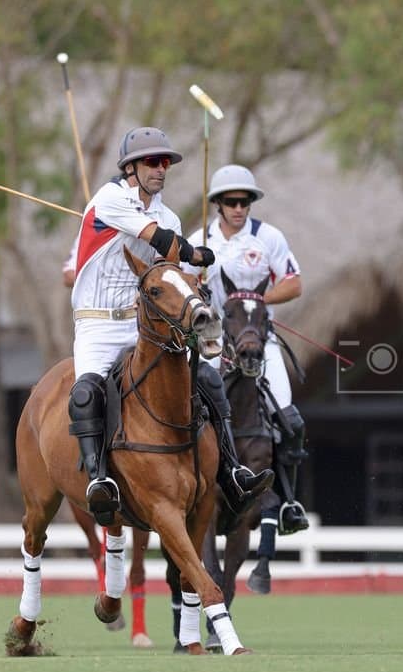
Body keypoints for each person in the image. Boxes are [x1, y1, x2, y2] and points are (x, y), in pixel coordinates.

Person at [67, 127, 274, 527]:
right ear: (130, 168)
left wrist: (193, 283)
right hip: (96, 323)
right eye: (152, 162)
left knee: (208, 379)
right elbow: (161, 241)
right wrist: (196, 251)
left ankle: (232, 472)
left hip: (143, 323)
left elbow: (169, 273)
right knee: (85, 393)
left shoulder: (169, 214)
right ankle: (99, 481)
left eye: (165, 162)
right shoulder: (110, 199)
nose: (161, 169)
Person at [189, 164, 310, 536]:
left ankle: (288, 502)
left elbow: (294, 283)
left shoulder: (268, 237)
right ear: (218, 205)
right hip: (215, 343)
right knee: (191, 411)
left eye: (245, 201)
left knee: (288, 418)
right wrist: (199, 287)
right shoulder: (200, 240)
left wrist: (255, 298)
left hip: (259, 342)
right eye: (231, 202)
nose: (239, 208)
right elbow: (184, 284)